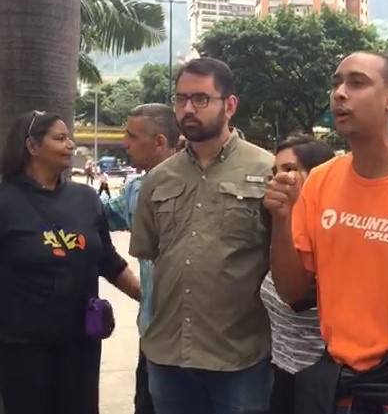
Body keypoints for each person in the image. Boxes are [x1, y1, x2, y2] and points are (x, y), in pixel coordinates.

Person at [264, 51, 388, 414]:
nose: (340, 93)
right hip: (333, 386)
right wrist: (281, 219)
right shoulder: (321, 181)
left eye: (356, 83)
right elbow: (293, 291)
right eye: (336, 83)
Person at [129, 58, 274, 414]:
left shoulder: (267, 169)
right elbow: (148, 253)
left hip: (239, 358)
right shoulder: (158, 180)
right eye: (180, 99)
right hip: (168, 356)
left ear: (230, 105)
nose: (188, 109)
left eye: (200, 99)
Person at [0, 111, 141, 414]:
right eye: (60, 138)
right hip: (21, 348)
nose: (70, 144)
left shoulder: (85, 198)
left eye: (69, 138)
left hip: (81, 344)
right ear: (32, 146)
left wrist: (151, 298)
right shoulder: (4, 200)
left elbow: (108, 261)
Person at [102, 104, 180, 414]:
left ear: (160, 142)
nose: (124, 143)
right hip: (151, 338)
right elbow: (95, 216)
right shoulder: (136, 189)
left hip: (202, 345)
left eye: (132, 137)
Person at [260, 135, 334, 414]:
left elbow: (298, 297)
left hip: (321, 386)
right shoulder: (277, 226)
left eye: (290, 169)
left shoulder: (330, 230)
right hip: (280, 377)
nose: (279, 178)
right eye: (275, 171)